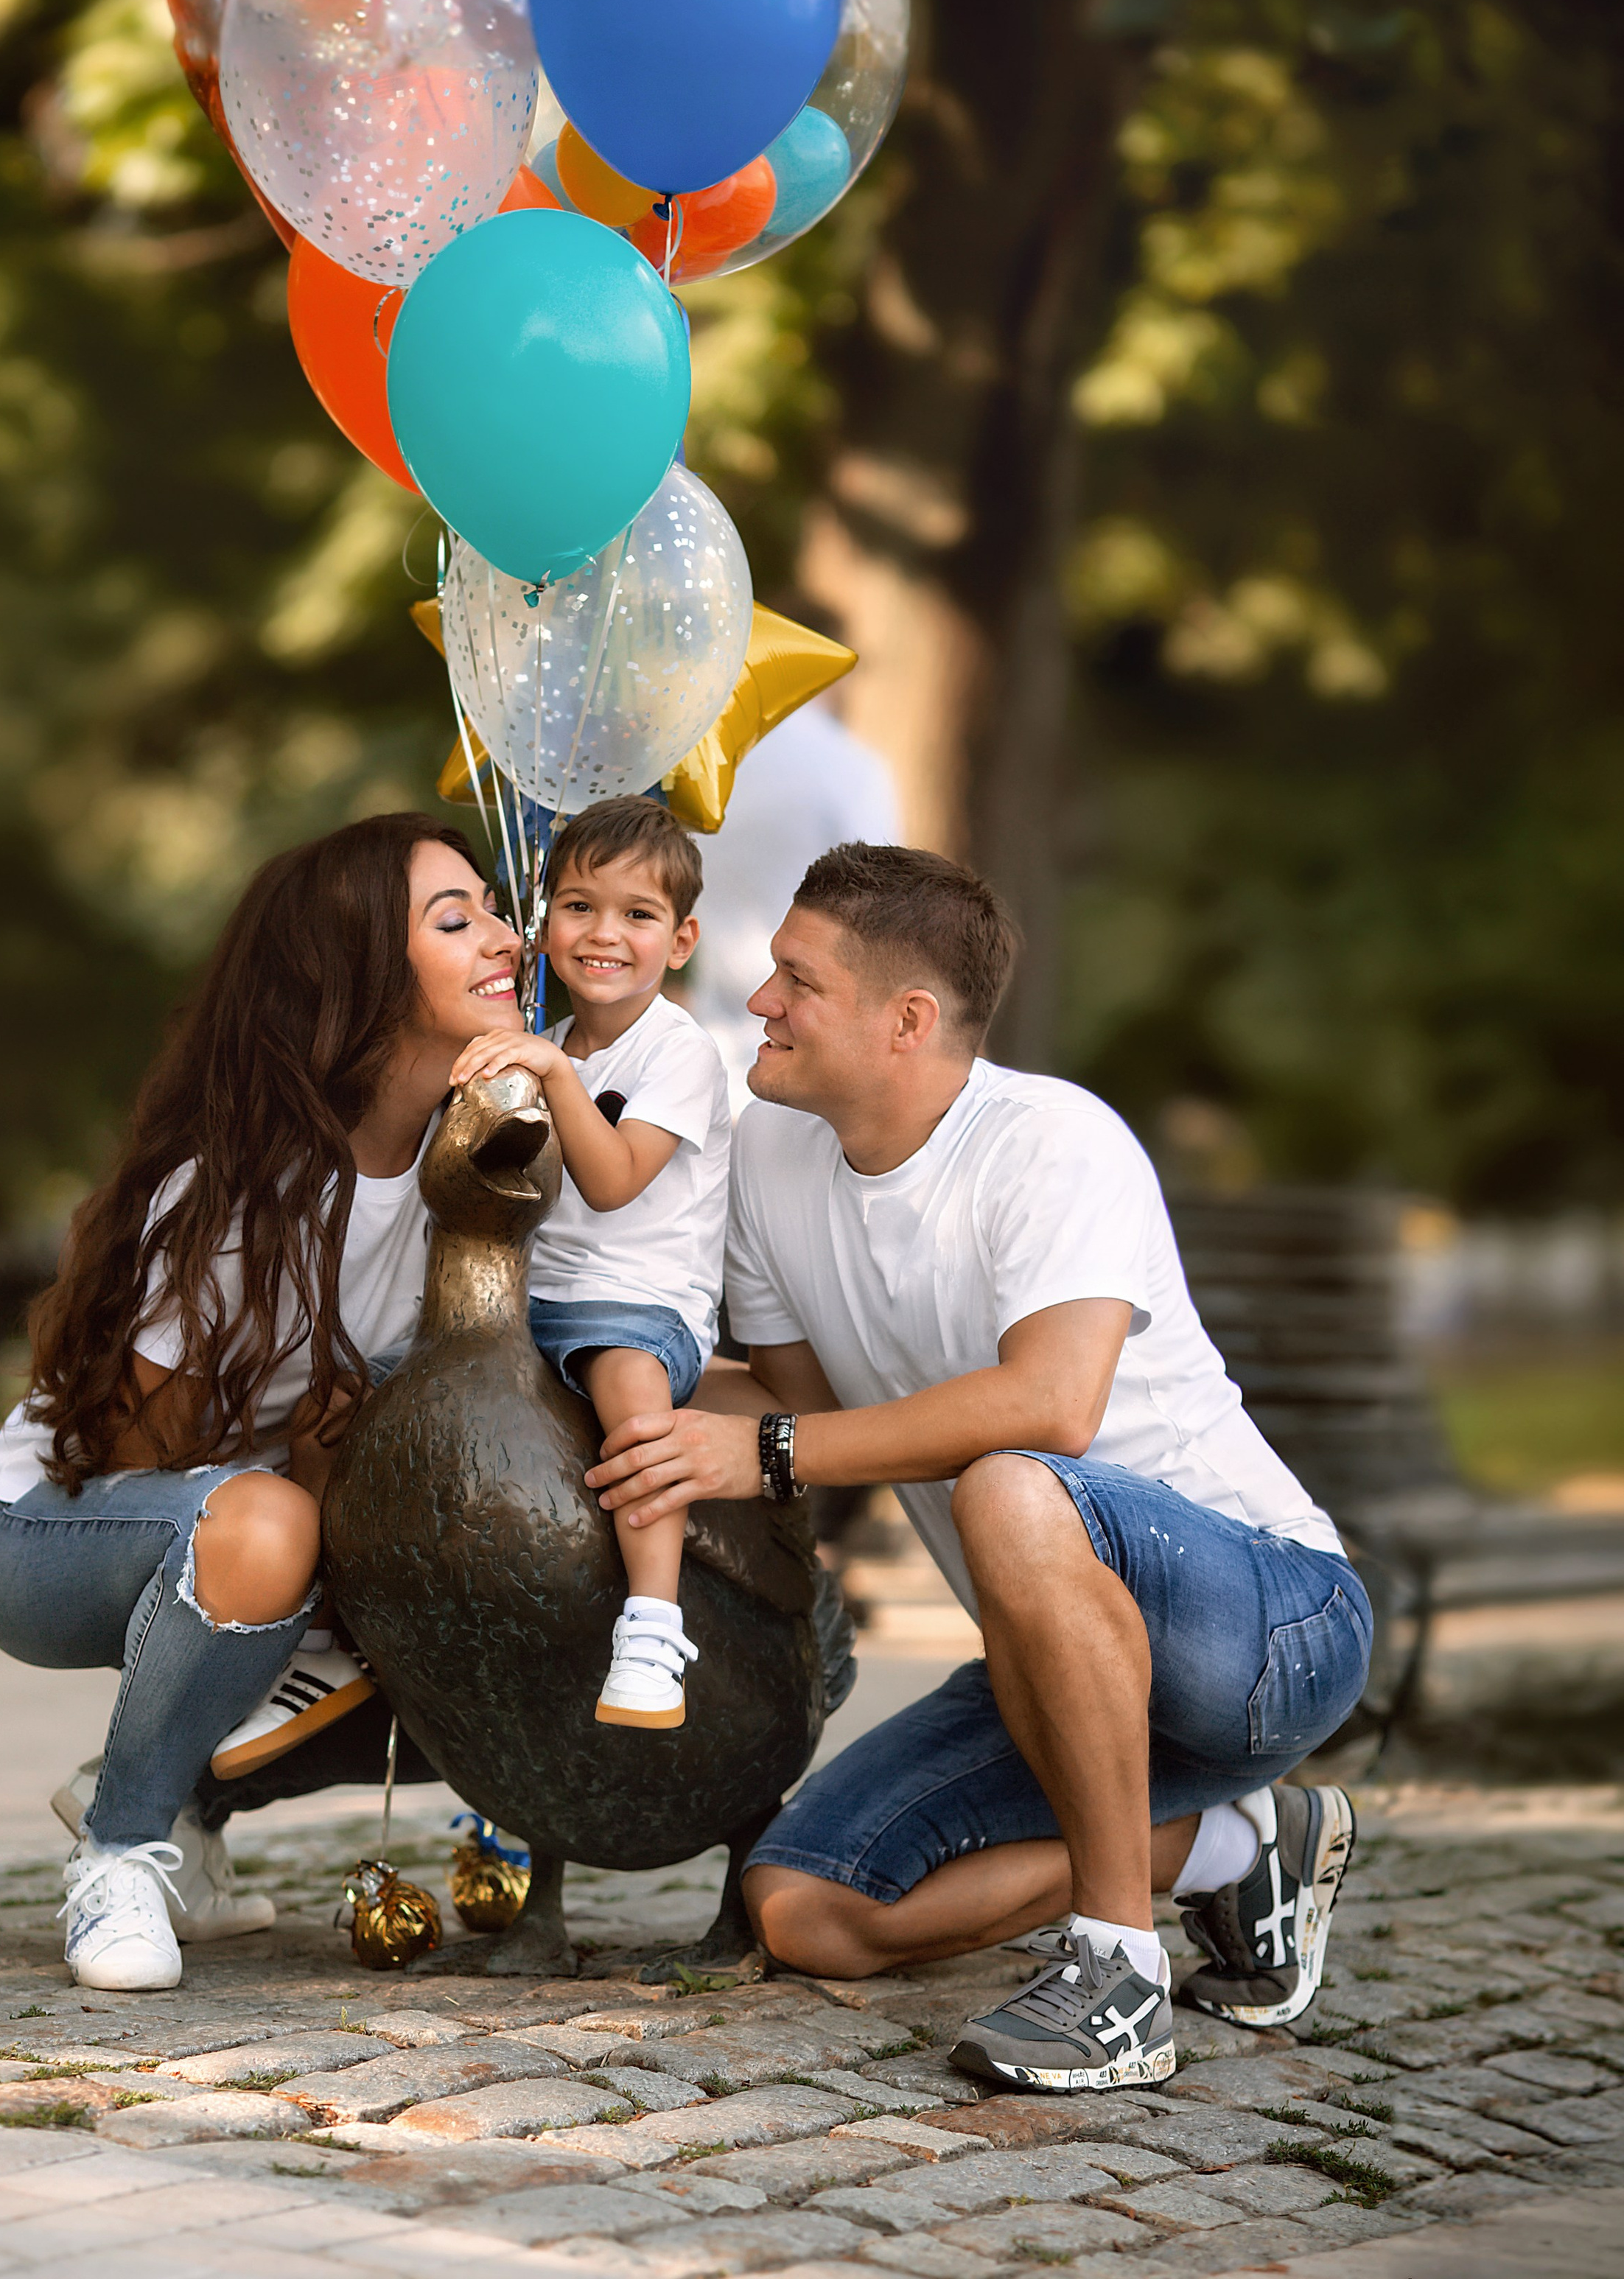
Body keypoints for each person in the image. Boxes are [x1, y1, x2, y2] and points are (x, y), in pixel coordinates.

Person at [583, 841, 1373, 2092]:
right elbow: (805, 1405)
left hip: (1273, 1630)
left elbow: (1051, 1407)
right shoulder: (772, 1158)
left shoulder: (1054, 1142)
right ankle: (1232, 1851)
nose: (760, 1001)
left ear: (907, 1020)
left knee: (1009, 1478)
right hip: (1055, 1660)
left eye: (798, 981)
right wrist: (594, 1391)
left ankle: (1118, 1976)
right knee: (804, 1907)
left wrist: (767, 1453)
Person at [0, 815, 524, 1992]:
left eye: (492, 907)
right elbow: (124, 1444)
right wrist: (308, 1474)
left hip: (264, 1520)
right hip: (51, 1531)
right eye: (453, 918)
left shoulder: (473, 1158)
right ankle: (120, 1853)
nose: (505, 937)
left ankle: (189, 1811)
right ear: (360, 973)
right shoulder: (242, 1188)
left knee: (474, 1626)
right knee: (269, 1526)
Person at [449, 798, 731, 1732]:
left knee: (631, 1392)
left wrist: (554, 1075)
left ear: (680, 941)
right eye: (579, 907)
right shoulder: (544, 1039)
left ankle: (651, 1623)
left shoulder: (678, 1052)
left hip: (638, 1300)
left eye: (636, 914)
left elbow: (611, 1182)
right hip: (531, 1294)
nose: (604, 933)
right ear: (543, 924)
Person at [688, 696, 900, 1118]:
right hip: (814, 1017)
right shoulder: (850, 766)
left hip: (712, 1012)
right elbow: (886, 900)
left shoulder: (704, 760)